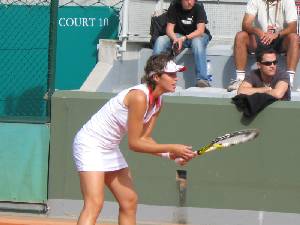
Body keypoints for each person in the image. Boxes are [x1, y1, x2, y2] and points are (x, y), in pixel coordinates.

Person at [72, 53, 197, 225]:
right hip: (90, 144)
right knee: (94, 203)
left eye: (176, 74)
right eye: (171, 75)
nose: (176, 79)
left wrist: (169, 155)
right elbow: (134, 144)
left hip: (109, 147)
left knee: (129, 201)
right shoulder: (139, 97)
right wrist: (173, 147)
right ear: (155, 77)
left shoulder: (158, 102)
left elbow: (144, 138)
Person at [227, 0, 298, 92]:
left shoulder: (288, 1)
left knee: (294, 38)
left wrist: (277, 34)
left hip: (280, 39)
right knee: (241, 36)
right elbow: (245, 24)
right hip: (261, 39)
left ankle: (289, 81)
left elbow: (293, 27)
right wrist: (258, 32)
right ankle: (240, 79)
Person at [152, 0, 212, 87]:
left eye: (192, 0)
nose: (190, 2)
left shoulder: (198, 8)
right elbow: (169, 30)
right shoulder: (174, 7)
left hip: (197, 36)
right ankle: (153, 74)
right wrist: (175, 39)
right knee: (161, 40)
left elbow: (200, 31)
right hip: (179, 36)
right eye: (187, 0)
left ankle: (202, 79)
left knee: (197, 42)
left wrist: (184, 38)